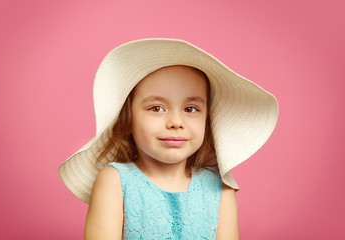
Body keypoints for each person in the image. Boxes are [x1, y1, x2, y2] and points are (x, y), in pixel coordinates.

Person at [58, 38, 279, 240]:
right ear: (127, 121)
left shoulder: (221, 189)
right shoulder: (115, 181)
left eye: (191, 108)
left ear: (207, 121)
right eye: (156, 107)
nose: (176, 121)